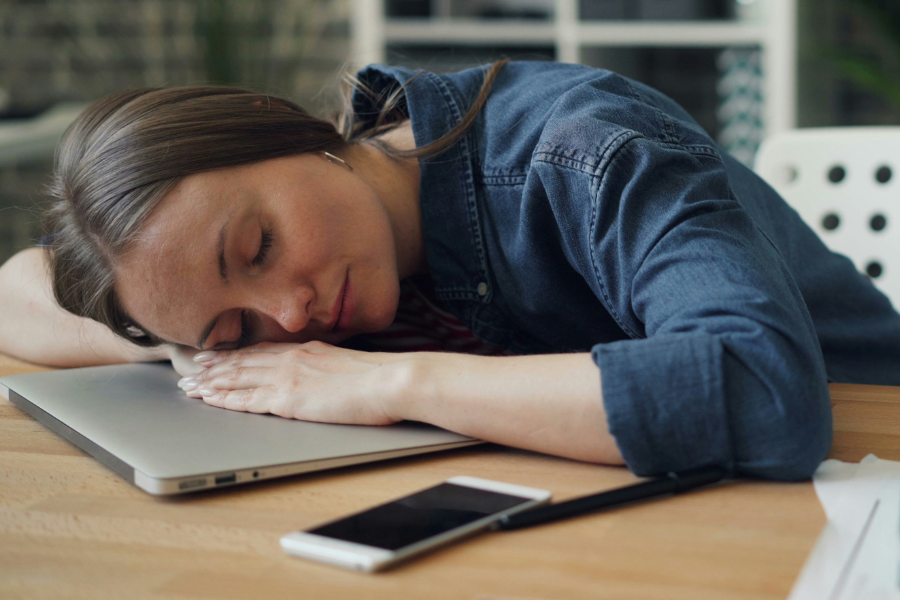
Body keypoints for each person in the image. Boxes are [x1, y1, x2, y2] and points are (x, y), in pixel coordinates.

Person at [1, 60, 898, 482]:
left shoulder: (584, 148)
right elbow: (14, 289)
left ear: (278, 123)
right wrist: (192, 347)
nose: (293, 311)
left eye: (258, 248)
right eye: (241, 324)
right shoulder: (293, 285)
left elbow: (764, 391)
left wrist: (390, 380)